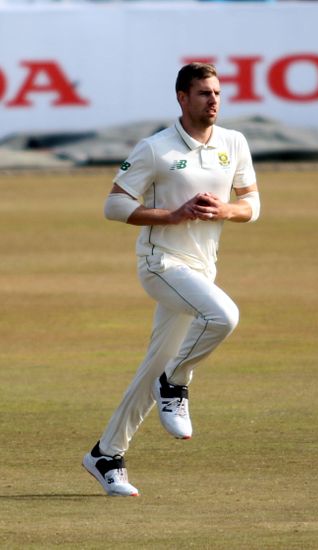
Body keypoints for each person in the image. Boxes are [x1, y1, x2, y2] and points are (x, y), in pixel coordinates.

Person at [82, 62, 260, 496]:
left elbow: (252, 204)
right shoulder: (155, 148)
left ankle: (107, 453)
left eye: (217, 92)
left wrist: (225, 210)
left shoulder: (233, 143)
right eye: (203, 93)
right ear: (182, 98)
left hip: (201, 268)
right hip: (160, 263)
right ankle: (176, 382)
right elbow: (114, 206)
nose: (213, 100)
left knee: (151, 367)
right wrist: (174, 215)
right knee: (224, 316)